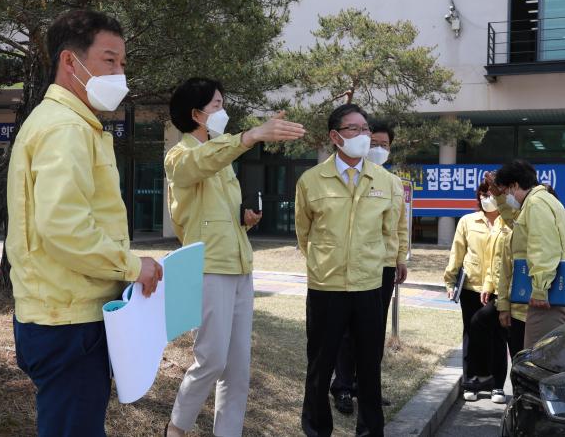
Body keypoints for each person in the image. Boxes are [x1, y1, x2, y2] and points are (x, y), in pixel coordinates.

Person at [6, 9, 163, 437]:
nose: (119, 74)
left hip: (64, 315)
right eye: (109, 60)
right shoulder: (66, 128)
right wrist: (133, 267)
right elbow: (65, 229)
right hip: (69, 322)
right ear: (69, 62)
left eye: (123, 64)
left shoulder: (68, 124)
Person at [164, 78, 305, 437]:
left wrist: (242, 219)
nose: (222, 111)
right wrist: (252, 135)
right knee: (211, 360)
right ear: (195, 114)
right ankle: (177, 427)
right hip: (209, 267)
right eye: (216, 105)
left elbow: (210, 211)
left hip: (239, 265)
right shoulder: (180, 156)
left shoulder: (221, 156)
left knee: (238, 367)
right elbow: (199, 165)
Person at [295, 104, 395, 437]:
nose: (365, 135)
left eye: (366, 128)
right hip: (326, 287)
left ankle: (370, 431)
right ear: (335, 137)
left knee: (369, 368)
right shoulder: (311, 181)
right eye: (355, 129)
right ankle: (316, 429)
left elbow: (389, 232)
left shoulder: (385, 181)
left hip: (369, 286)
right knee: (320, 368)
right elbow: (304, 234)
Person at [328, 120, 408, 414]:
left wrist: (400, 259)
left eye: (384, 145)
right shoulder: (351, 178)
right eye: (373, 143)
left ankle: (368, 386)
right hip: (355, 264)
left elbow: (400, 224)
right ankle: (343, 387)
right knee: (348, 331)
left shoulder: (393, 182)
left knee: (374, 331)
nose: (378, 149)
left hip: (384, 266)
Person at [494, 182, 565, 358]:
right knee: (520, 364)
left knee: (544, 361)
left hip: (549, 308)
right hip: (518, 311)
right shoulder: (515, 235)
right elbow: (506, 275)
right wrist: (503, 306)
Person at [443, 181, 509, 403]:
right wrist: (450, 281)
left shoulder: (508, 222)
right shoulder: (467, 221)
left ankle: (497, 384)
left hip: (499, 290)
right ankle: (471, 380)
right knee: (471, 333)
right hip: (472, 288)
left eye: (491, 193)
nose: (487, 197)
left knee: (498, 336)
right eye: (483, 194)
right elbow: (457, 253)